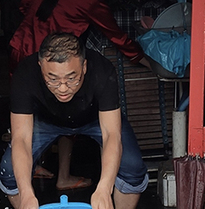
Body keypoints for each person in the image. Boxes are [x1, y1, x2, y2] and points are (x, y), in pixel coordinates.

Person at [0, 32, 148, 209]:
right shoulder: (25, 75)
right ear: (40, 67)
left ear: (84, 66)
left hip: (94, 120)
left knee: (132, 167)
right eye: (53, 79)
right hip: (45, 122)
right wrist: (26, 193)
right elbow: (22, 139)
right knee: (9, 172)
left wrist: (104, 188)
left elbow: (111, 135)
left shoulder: (102, 70)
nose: (63, 88)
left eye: (72, 78)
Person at [8, 0, 151, 191]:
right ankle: (31, 169)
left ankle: (47, 170)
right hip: (53, 63)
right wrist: (145, 60)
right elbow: (116, 36)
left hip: (25, 49)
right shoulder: (90, 2)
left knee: (62, 110)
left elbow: (24, 6)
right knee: (57, 108)